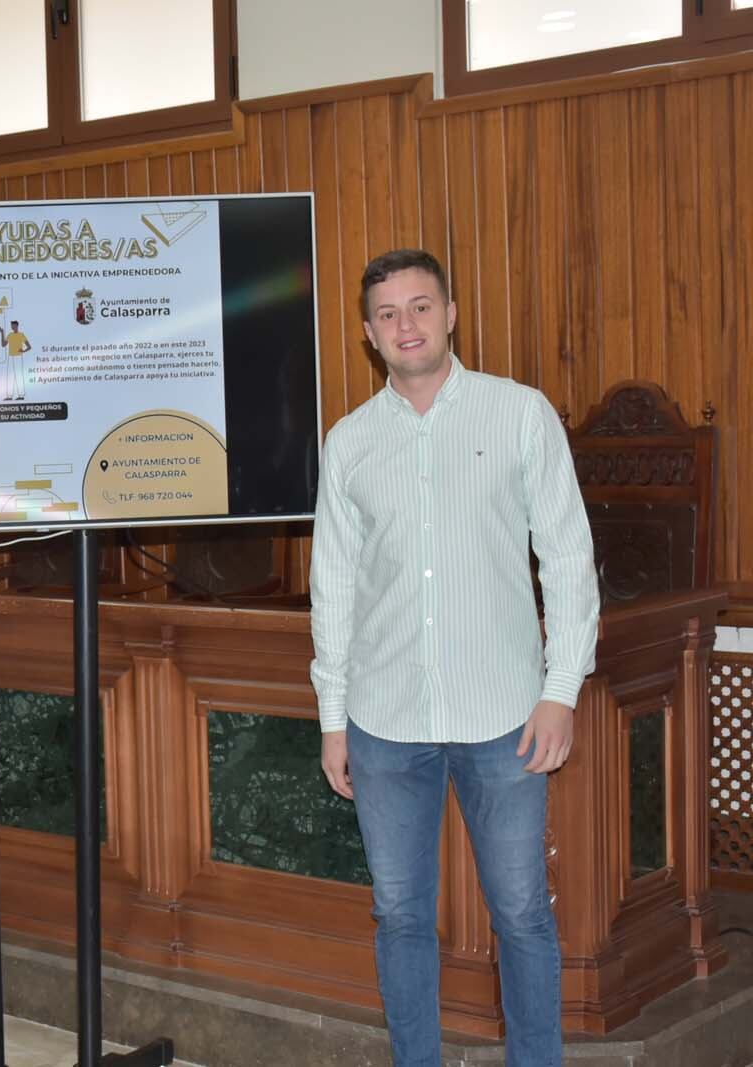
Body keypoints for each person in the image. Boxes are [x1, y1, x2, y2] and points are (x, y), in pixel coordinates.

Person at [309, 248, 598, 1066]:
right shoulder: (350, 443)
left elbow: (570, 560)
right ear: (369, 334)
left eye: (422, 306)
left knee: (522, 914)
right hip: (384, 719)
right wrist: (335, 721)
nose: (408, 324)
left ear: (452, 313)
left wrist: (561, 690)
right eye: (390, 314)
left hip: (506, 716)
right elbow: (333, 588)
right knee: (400, 914)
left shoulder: (519, 414)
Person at [0, 318, 30, 400]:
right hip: (11, 356)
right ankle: (9, 396)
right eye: (11, 326)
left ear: (17, 326)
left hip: (18, 357)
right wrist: (2, 333)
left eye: (13, 326)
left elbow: (29, 347)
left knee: (19, 375)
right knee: (10, 376)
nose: (12, 327)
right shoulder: (10, 335)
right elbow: (3, 345)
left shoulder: (21, 335)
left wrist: (23, 350)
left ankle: (21, 395)